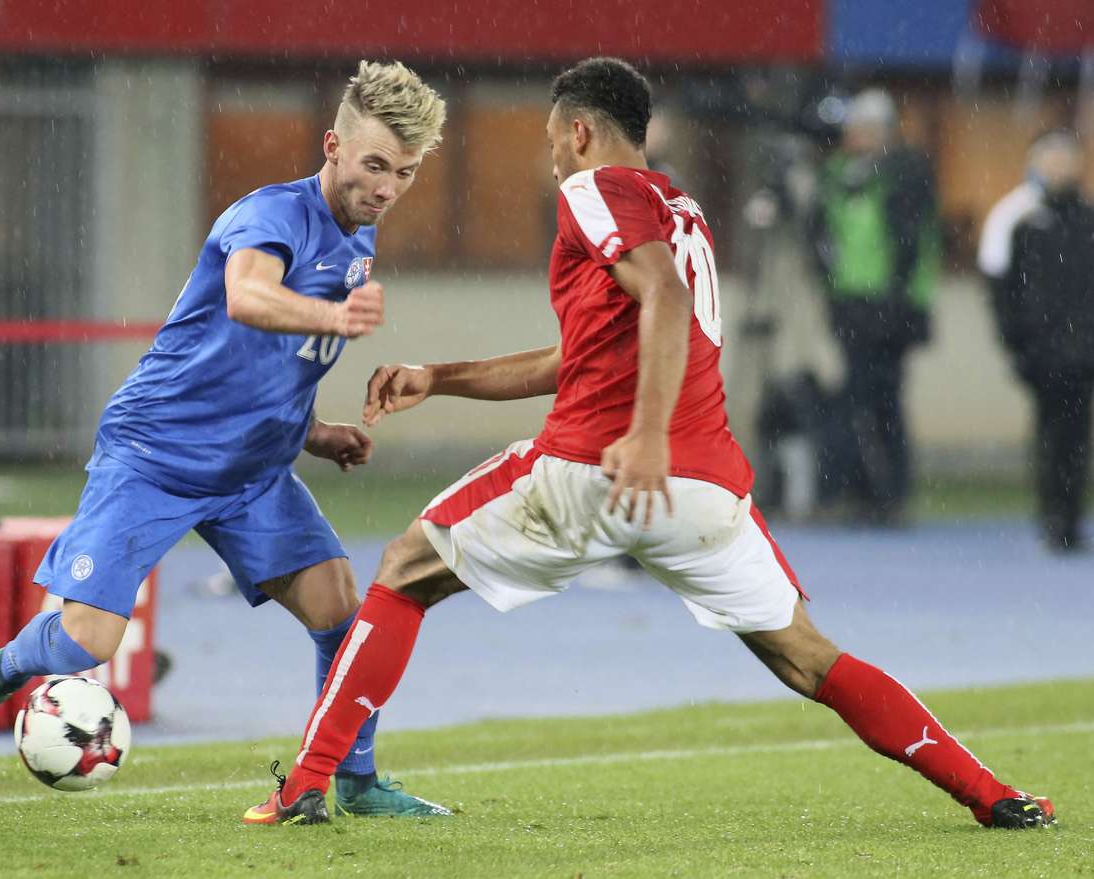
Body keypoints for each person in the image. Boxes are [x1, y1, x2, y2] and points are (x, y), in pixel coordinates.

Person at [247, 58, 1055, 831]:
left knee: (401, 571)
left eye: (551, 141)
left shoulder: (594, 188)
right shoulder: (681, 211)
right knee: (812, 657)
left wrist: (641, 437)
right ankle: (993, 794)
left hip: (596, 466)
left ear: (580, 135)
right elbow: (583, 354)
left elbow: (662, 297)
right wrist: (442, 376)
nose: (553, 159)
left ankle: (310, 785)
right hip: (704, 493)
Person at [0, 61, 450, 818]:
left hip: (252, 471)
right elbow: (247, 296)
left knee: (341, 610)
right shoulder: (268, 215)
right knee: (87, 641)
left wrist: (316, 432)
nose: (388, 186)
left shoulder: (357, 240)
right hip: (156, 455)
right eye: (373, 165)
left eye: (404, 171)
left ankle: (354, 780)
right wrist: (333, 317)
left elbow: (261, 373)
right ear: (332, 146)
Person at [809, 89, 940, 524]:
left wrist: (896, 303)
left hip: (892, 307)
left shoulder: (905, 170)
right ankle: (861, 492)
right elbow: (820, 236)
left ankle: (890, 495)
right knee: (856, 399)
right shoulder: (836, 176)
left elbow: (908, 241)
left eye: (868, 130)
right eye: (855, 130)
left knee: (882, 399)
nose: (859, 138)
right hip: (851, 302)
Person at [979, 130, 1094, 553]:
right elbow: (998, 287)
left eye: (1069, 157)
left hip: (1082, 352)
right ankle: (1051, 515)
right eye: (1052, 157)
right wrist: (1016, 345)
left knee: (1077, 437)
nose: (1061, 165)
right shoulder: (1015, 217)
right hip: (1041, 352)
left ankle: (1070, 518)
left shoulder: (1086, 219)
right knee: (1050, 434)